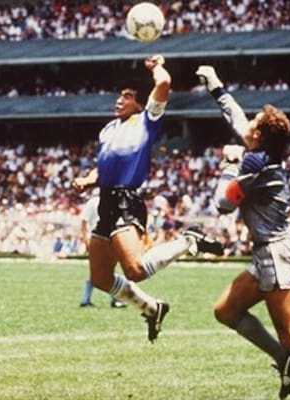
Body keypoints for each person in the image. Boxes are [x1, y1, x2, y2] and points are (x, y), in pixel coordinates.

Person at [196, 65, 290, 400]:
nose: (247, 126)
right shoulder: (261, 153)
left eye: (253, 125)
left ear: (259, 137)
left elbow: (222, 204)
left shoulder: (256, 163)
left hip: (276, 254)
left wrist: (228, 166)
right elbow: (238, 119)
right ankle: (284, 361)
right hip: (267, 252)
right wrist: (216, 86)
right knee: (226, 310)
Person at [72, 55, 223, 342]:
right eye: (119, 96)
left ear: (139, 104)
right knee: (101, 279)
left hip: (126, 200)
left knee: (136, 270)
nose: (119, 100)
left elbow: (164, 82)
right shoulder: (108, 129)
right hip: (105, 201)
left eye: (127, 97)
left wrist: (156, 67)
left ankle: (187, 241)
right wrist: (88, 180)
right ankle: (153, 308)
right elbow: (102, 165)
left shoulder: (147, 120)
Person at [78, 189, 126, 308]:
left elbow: (83, 222)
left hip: (104, 239)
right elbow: (84, 222)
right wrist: (86, 239)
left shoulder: (102, 202)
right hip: (100, 238)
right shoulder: (95, 203)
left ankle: (86, 299)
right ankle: (114, 299)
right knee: (103, 271)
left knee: (102, 271)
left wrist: (86, 239)